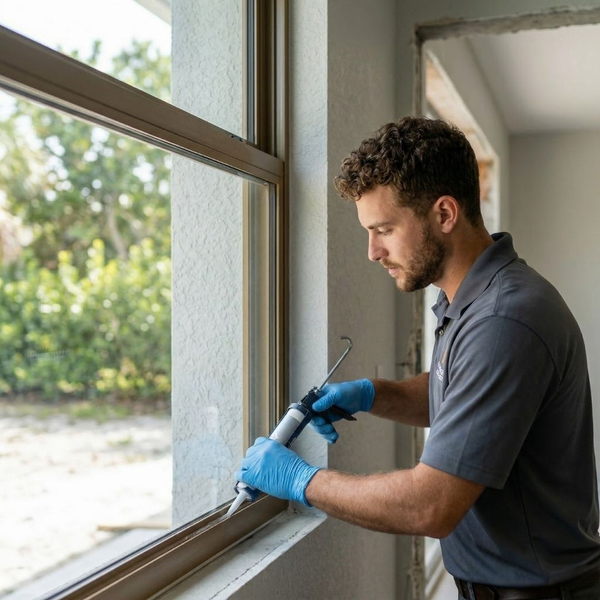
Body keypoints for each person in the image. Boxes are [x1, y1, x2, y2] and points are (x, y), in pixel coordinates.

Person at [234, 117, 600, 599]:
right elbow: (468, 400)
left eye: (383, 229)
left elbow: (430, 507)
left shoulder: (502, 320)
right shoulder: (473, 298)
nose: (372, 251)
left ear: (444, 214)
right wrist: (373, 395)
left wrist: (299, 480)